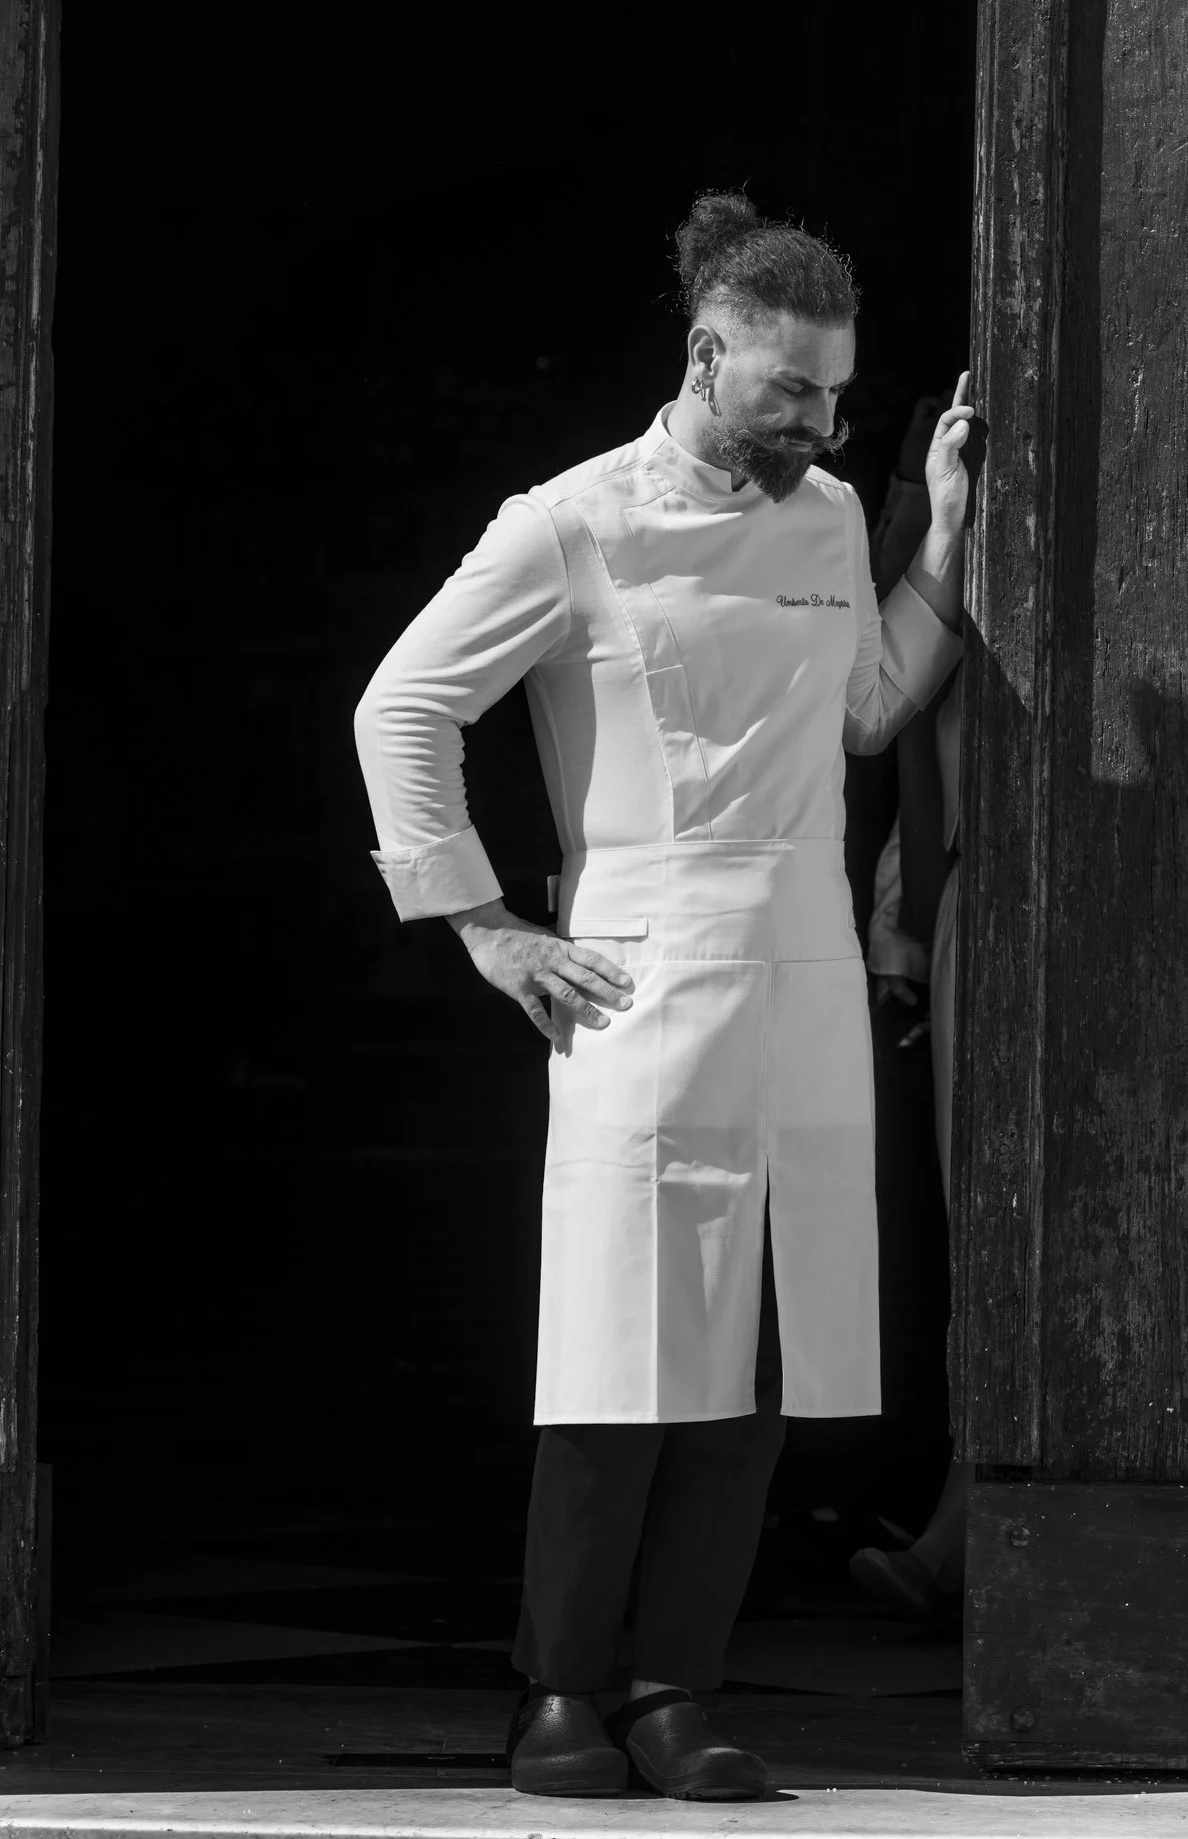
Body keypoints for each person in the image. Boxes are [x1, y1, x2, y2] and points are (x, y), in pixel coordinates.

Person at [353, 191, 975, 1800]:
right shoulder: (572, 521)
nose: (819, 421)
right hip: (637, 971)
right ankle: (558, 1692)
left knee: (758, 1354)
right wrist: (481, 924)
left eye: (834, 392)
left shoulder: (827, 518)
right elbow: (401, 706)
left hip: (804, 968)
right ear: (705, 357)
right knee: (617, 1348)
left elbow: (863, 713)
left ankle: (673, 1690)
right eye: (790, 389)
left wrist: (941, 542)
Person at [852, 432, 969, 1626]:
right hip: (983, 897)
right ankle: (963, 1519)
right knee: (981, 1220)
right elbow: (900, 737)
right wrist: (905, 936)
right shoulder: (947, 535)